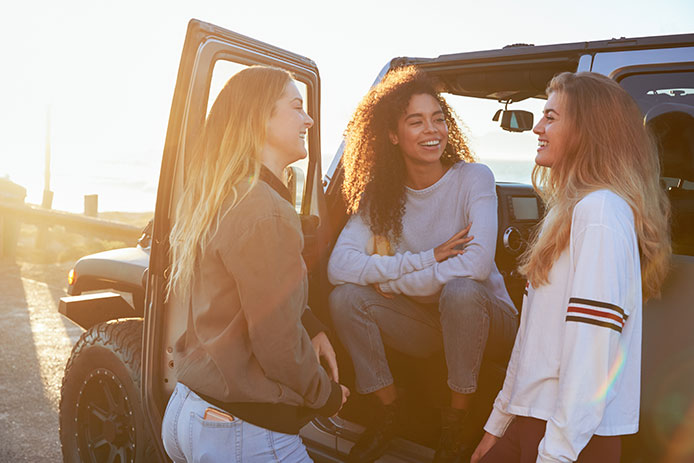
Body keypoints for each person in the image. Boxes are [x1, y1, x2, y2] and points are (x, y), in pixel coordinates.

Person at [471, 72, 671, 463]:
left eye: (551, 117)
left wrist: (555, 455)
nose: (538, 128)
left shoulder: (599, 213)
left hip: (570, 440)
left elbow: (591, 356)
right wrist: (498, 424)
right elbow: (531, 342)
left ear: (587, 131)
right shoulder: (573, 211)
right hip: (535, 423)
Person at [327, 66, 518, 463]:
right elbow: (339, 267)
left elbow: (477, 265)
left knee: (462, 290)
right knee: (345, 299)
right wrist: (425, 259)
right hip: (429, 325)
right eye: (416, 121)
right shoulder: (380, 197)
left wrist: (396, 283)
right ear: (394, 135)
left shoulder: (473, 179)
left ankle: (456, 424)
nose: (433, 130)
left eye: (438, 118)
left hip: (489, 320)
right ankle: (389, 409)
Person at [160, 66, 349, 463]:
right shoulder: (266, 210)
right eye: (297, 107)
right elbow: (276, 343)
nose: (309, 119)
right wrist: (326, 395)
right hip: (242, 432)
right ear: (260, 118)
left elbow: (241, 295)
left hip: (188, 410)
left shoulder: (218, 192)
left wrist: (310, 325)